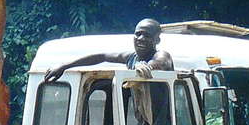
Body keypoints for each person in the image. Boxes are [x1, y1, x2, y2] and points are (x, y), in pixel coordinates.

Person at [43, 18, 174, 83]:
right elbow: (102, 56)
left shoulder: (161, 55)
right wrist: (64, 66)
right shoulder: (132, 57)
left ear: (157, 40)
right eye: (138, 34)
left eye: (147, 35)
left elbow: (160, 63)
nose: (140, 38)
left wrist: (146, 67)